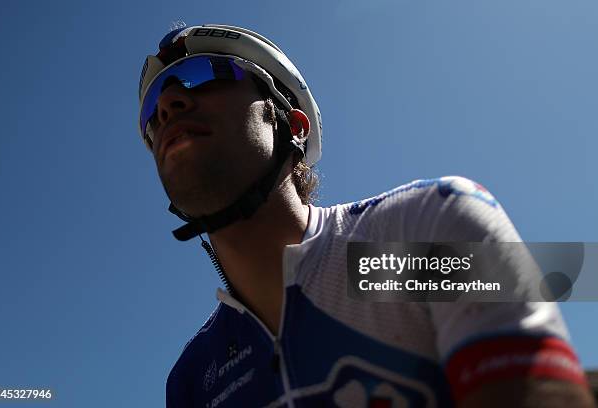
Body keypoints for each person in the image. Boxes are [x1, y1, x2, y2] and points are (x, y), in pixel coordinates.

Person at [137, 23, 594, 407]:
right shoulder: (194, 376)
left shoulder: (418, 233)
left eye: (205, 74)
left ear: (292, 126)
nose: (168, 104)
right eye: (153, 111)